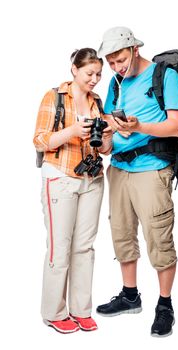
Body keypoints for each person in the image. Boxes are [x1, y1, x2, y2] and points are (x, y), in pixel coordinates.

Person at [96, 27, 178, 337]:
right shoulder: (116, 82)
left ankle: (165, 306)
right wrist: (107, 133)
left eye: (120, 59)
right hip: (118, 168)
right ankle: (130, 296)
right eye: (111, 62)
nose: (117, 67)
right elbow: (108, 118)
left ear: (135, 49)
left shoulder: (165, 75)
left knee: (158, 240)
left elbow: (176, 126)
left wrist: (138, 126)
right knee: (122, 236)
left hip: (151, 169)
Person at [33, 48, 112, 334]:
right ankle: (54, 312)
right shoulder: (54, 97)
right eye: (89, 73)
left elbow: (106, 150)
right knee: (60, 247)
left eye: (99, 75)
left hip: (92, 179)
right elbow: (40, 141)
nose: (94, 79)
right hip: (60, 177)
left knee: (85, 248)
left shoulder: (98, 102)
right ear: (74, 69)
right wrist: (71, 132)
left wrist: (104, 138)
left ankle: (80, 310)